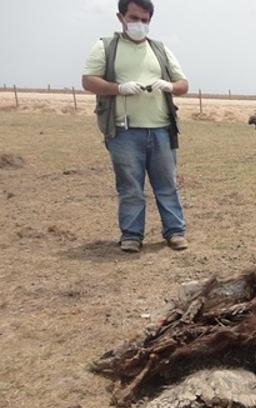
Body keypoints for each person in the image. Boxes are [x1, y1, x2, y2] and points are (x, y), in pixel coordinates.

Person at [82, 0, 189, 252]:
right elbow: (88, 80)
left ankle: (175, 232)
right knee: (130, 186)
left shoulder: (160, 49)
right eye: (134, 18)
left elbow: (183, 84)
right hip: (123, 131)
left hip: (162, 129)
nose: (139, 24)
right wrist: (118, 89)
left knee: (167, 184)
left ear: (150, 20)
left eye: (144, 19)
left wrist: (170, 86)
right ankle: (131, 235)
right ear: (121, 17)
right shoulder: (106, 47)